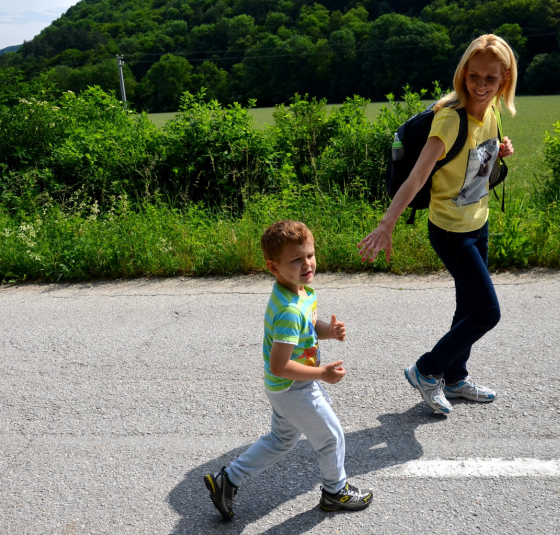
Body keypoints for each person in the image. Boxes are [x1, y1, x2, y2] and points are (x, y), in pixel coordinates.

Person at [357, 34, 517, 416]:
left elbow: (477, 166)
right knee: (486, 312)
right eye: (473, 76)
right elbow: (415, 178)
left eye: (490, 79)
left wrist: (500, 151)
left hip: (478, 223)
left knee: (468, 305)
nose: (480, 85)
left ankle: (456, 377)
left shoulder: (491, 111)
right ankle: (427, 370)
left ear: (504, 79)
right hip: (450, 230)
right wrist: (386, 224)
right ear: (463, 73)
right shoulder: (448, 120)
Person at [204, 220, 373, 520]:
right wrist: (321, 375)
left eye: (309, 254)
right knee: (331, 437)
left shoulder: (301, 291)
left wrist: (328, 332)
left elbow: (307, 329)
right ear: (274, 267)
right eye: (296, 259)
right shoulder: (288, 310)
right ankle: (335, 492)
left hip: (284, 388)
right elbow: (280, 365)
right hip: (294, 386)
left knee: (281, 440)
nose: (307, 264)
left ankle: (228, 480)